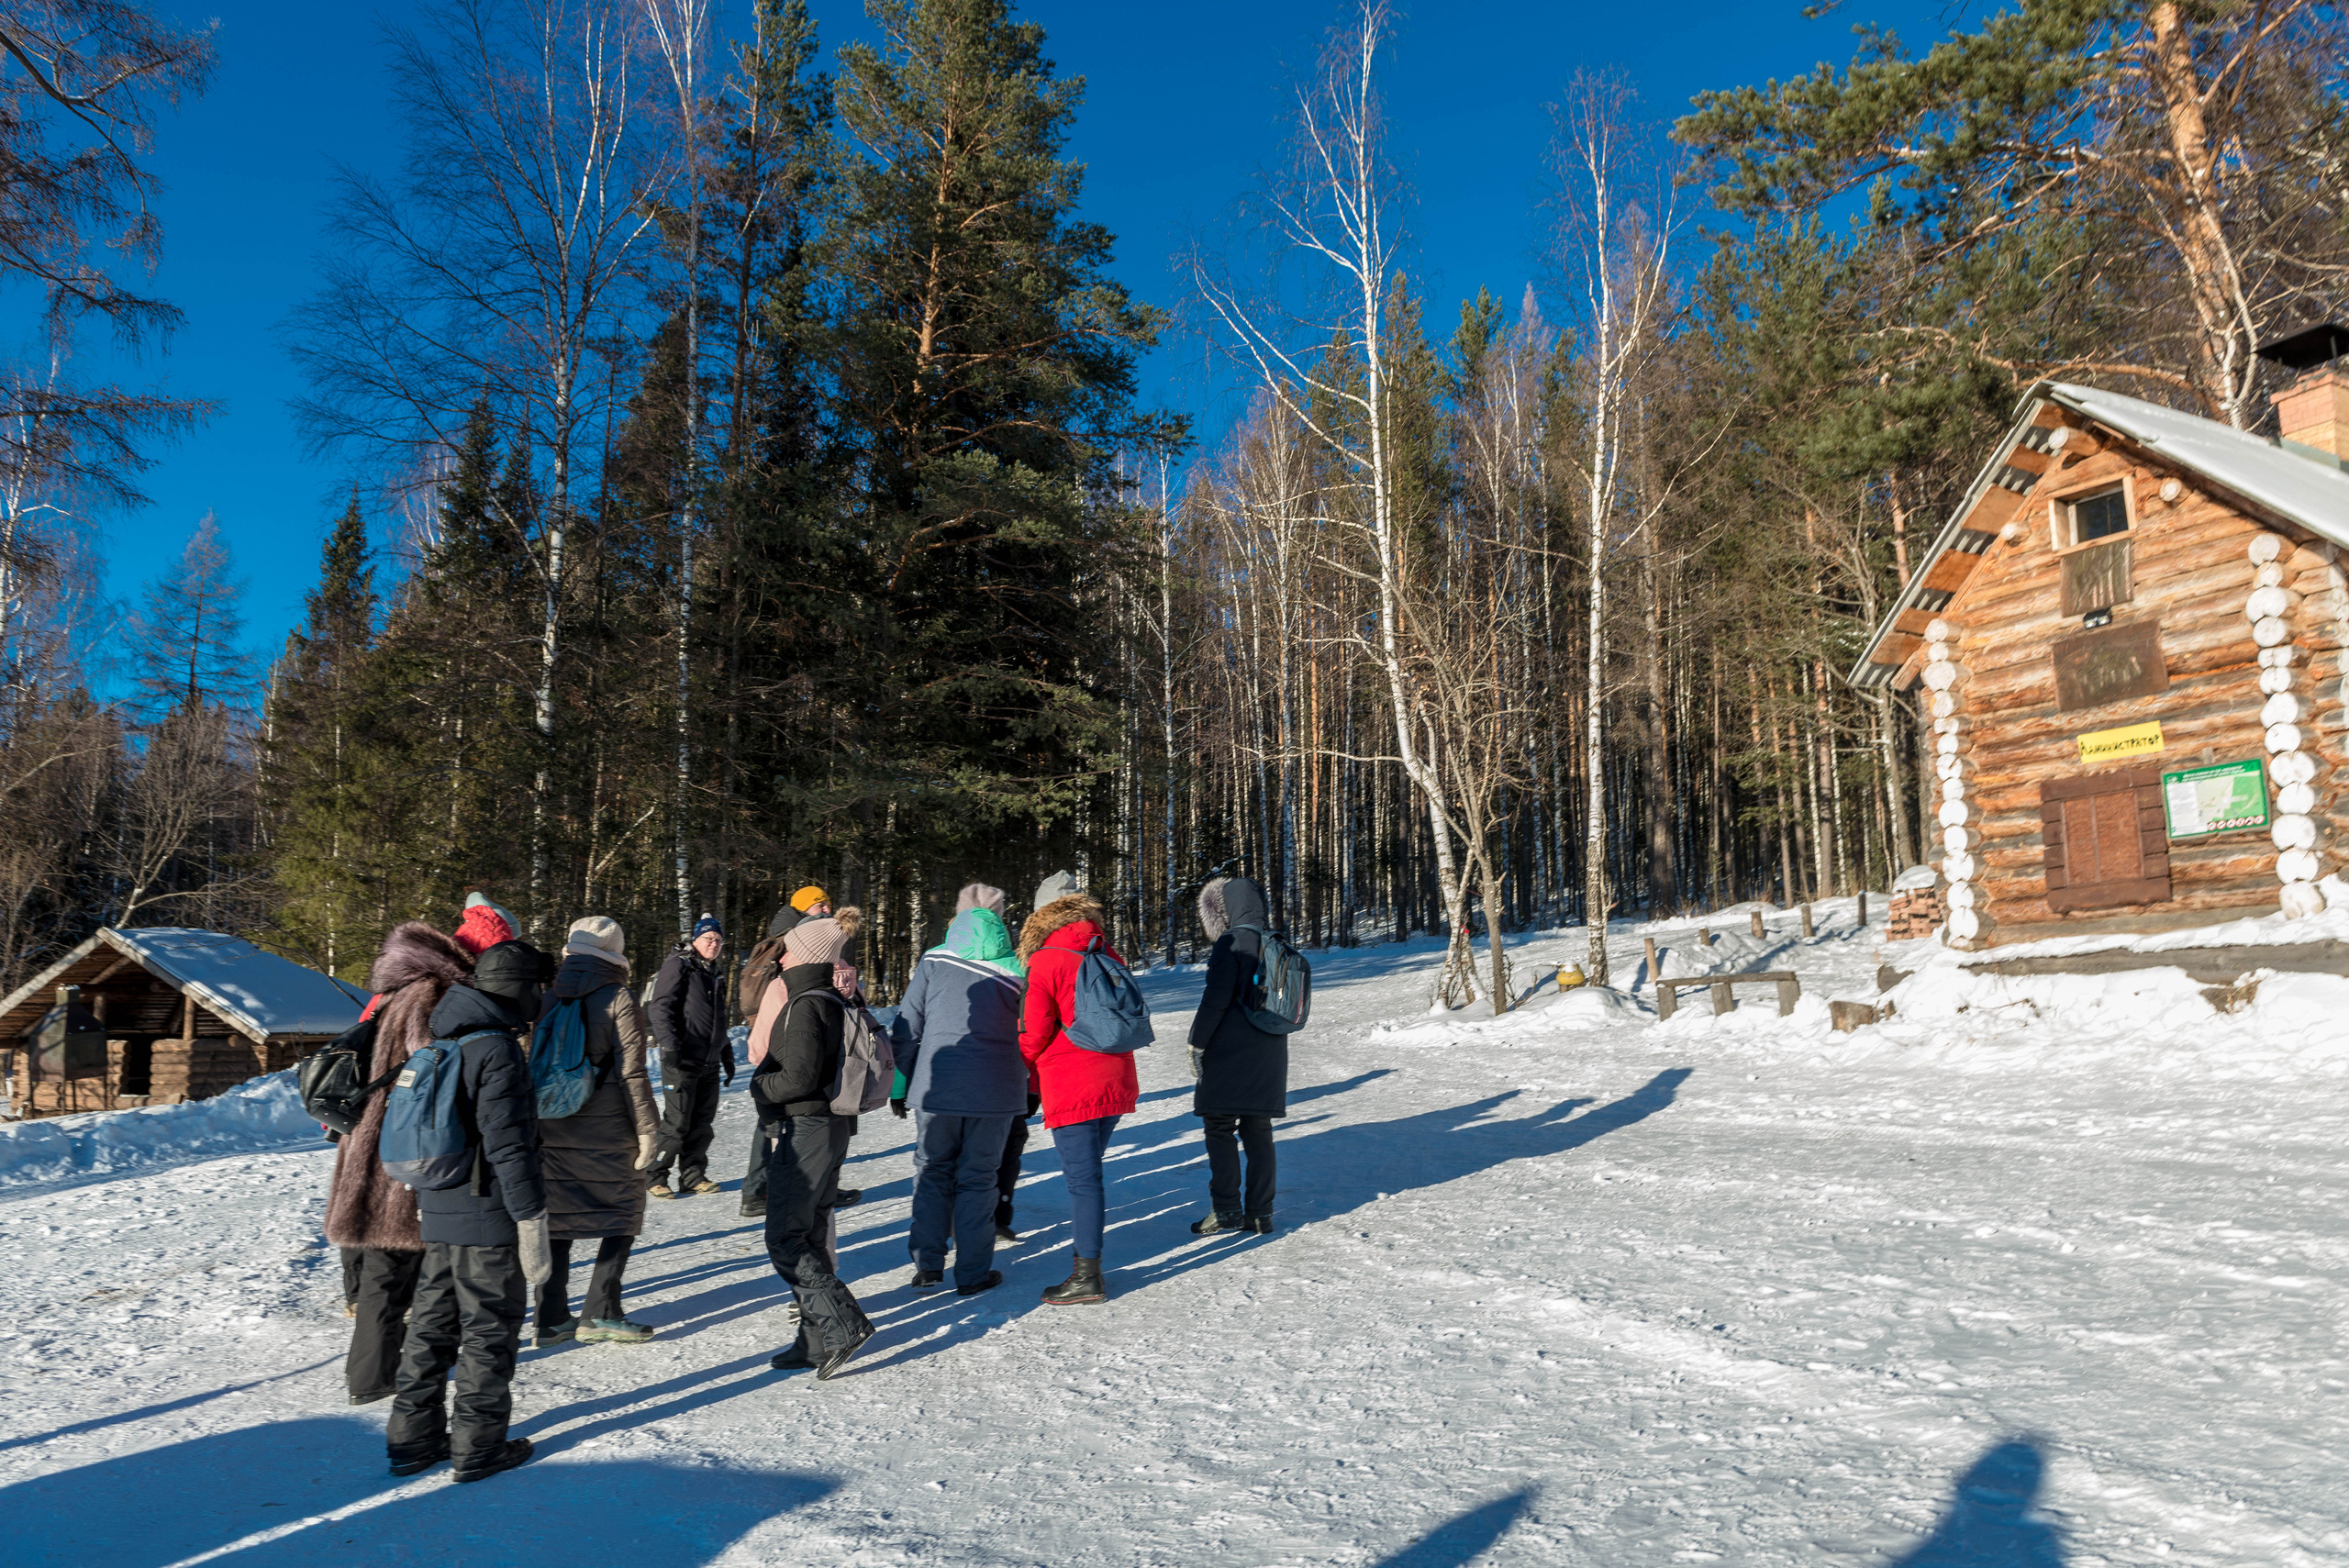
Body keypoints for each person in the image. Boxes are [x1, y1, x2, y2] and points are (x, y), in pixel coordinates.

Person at [385, 939, 552, 1485]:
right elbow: (509, 1146)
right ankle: (478, 1447)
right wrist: (531, 1218)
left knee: (431, 1327)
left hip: (438, 1209)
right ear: (521, 991)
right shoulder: (497, 1050)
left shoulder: (446, 1041)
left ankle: (412, 1441)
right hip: (487, 1216)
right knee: (487, 1330)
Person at [324, 918, 477, 1405]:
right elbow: (427, 1063)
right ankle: (378, 1377)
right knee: (398, 1268)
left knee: (381, 1271)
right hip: (400, 1144)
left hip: (366, 1142)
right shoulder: (430, 994)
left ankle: (368, 1375)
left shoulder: (394, 992)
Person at [750, 910, 876, 1380]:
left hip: (806, 1130)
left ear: (806, 955)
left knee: (784, 1236)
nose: (781, 957)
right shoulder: (830, 998)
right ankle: (815, 1337)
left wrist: (761, 1087)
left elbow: (799, 1077)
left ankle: (842, 1322)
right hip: (829, 1128)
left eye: (789, 950)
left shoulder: (806, 1004)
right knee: (810, 1229)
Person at [890, 883, 1025, 1296]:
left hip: (937, 1086)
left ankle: (928, 1266)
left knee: (931, 1171)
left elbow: (907, 1027)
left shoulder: (934, 960)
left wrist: (901, 1083)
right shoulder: (1019, 968)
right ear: (1001, 922)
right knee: (979, 1179)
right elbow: (1030, 1031)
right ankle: (971, 1273)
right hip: (997, 1091)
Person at [532, 916, 662, 1346]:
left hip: (551, 1121)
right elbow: (632, 1073)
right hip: (608, 1129)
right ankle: (600, 1311)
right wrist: (648, 1129)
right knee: (623, 1212)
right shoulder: (618, 996)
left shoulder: (548, 995)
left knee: (559, 1219)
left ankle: (550, 1317)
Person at [1018, 888, 1138, 1306]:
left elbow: (1034, 1030)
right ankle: (1086, 1267)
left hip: (1073, 1080)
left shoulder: (1046, 959)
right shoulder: (1107, 952)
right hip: (1116, 1073)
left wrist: (1023, 1063)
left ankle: (1087, 1275)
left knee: (1083, 1181)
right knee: (1089, 1174)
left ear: (1043, 916)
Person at [1186, 875, 1289, 1235]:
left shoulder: (1232, 942)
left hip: (1230, 1051)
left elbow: (1215, 999)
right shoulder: (1276, 940)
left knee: (1219, 1128)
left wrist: (1196, 1042)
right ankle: (1261, 1213)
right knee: (1259, 1130)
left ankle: (1227, 1209)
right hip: (1271, 1050)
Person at [645, 913, 733, 1199]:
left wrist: (727, 1053)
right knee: (677, 1122)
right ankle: (654, 1176)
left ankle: (693, 1176)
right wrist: (669, 1045)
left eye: (719, 940)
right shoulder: (680, 965)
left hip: (708, 1061)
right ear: (696, 940)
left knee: (702, 1123)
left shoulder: (713, 972)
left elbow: (718, 1019)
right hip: (681, 1058)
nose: (714, 944)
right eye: (709, 938)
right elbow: (660, 1006)